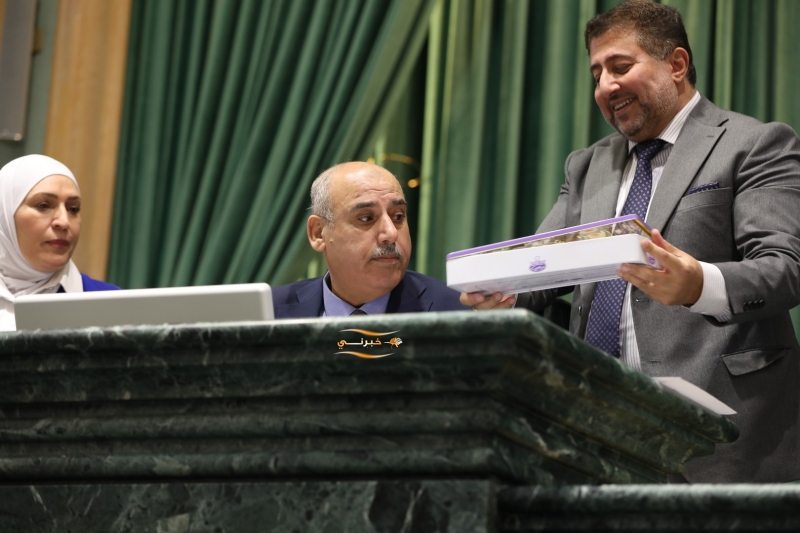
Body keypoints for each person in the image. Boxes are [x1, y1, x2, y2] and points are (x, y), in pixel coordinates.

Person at [463, 0, 800, 483]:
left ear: (676, 64)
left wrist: (697, 284)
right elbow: (543, 265)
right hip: (597, 429)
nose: (605, 86)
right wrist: (505, 292)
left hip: (721, 435)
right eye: (597, 73)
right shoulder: (587, 165)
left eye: (620, 67)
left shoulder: (752, 144)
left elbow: (784, 267)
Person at [273, 161, 467, 317]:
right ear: (318, 233)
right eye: (366, 218)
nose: (391, 233)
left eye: (398, 216)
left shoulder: (458, 312)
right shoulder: (268, 313)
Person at [0, 155, 119, 331]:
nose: (64, 222)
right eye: (43, 205)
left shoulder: (114, 305)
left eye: (73, 209)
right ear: (5, 216)